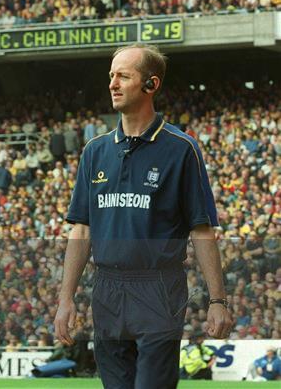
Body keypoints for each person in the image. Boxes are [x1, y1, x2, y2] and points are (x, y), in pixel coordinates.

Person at [54, 43, 232, 389]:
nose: (113, 84)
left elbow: (202, 229)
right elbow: (81, 230)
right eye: (111, 76)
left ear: (151, 85)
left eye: (123, 76)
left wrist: (218, 301)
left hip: (159, 287)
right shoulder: (95, 151)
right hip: (106, 288)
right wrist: (65, 299)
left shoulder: (181, 149)